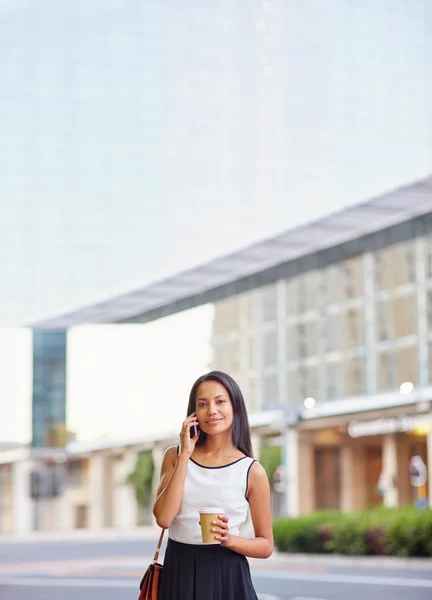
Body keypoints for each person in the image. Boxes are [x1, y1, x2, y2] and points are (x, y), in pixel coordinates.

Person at [153, 370, 273, 600]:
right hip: (180, 571)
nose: (212, 411)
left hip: (228, 575)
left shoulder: (251, 471)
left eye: (220, 401)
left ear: (234, 406)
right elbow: (164, 519)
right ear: (194, 412)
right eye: (203, 404)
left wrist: (229, 539)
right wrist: (185, 453)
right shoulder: (174, 456)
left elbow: (266, 545)